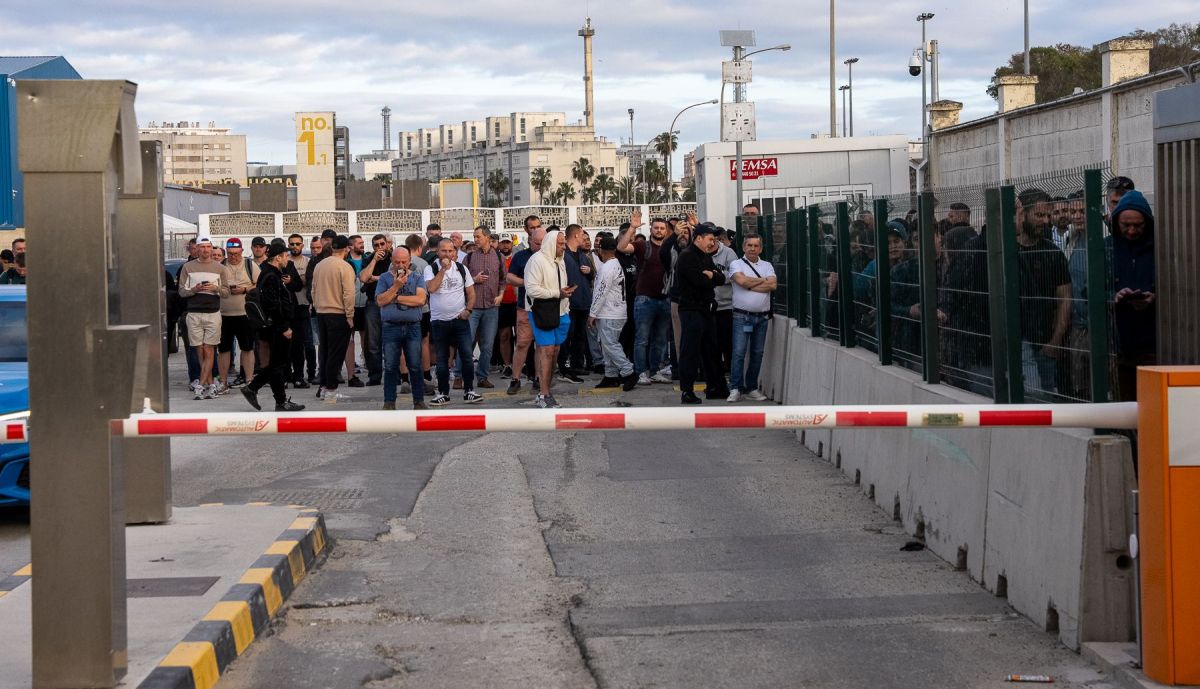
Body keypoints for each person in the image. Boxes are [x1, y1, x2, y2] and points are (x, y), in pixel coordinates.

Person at [1015, 188, 1071, 397]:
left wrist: (1055, 341)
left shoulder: (1053, 254)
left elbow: (1065, 299)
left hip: (1046, 340)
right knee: (1034, 395)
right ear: (1024, 214)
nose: (1045, 221)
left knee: (1047, 394)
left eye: (1048, 215)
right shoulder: (1009, 252)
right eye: (1039, 215)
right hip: (1018, 340)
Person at [241, 243, 305, 412]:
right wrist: (284, 327)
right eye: (285, 256)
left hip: (275, 325)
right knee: (278, 364)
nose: (287, 259)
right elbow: (272, 305)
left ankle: (260, 391)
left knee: (278, 363)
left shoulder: (272, 273)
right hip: (276, 327)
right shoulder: (271, 275)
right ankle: (275, 399)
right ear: (278, 257)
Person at [1108, 189, 1156, 401]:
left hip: (1155, 344)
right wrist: (1114, 296)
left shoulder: (1161, 248)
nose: (1131, 231)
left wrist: (1154, 297)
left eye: (1138, 225)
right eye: (1125, 225)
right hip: (1118, 344)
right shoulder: (1106, 248)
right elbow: (1089, 290)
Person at [616, 211, 674, 385]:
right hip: (644, 299)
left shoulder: (671, 248)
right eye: (656, 227)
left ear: (666, 231)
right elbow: (621, 247)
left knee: (661, 339)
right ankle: (641, 372)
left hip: (665, 299)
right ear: (651, 229)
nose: (658, 230)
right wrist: (632, 227)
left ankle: (655, 370)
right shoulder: (643, 246)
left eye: (662, 228)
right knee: (642, 338)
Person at [424, 238, 483, 406]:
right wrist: (443, 269)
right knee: (442, 359)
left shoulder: (462, 269)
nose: (448, 254)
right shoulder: (431, 268)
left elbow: (471, 293)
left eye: (451, 251)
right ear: (438, 252)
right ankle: (443, 393)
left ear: (455, 253)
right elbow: (432, 288)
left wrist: (468, 311)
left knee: (466, 356)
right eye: (444, 251)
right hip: (439, 322)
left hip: (460, 321)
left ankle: (469, 391)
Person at [674, 223, 728, 404]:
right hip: (691, 309)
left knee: (711, 350)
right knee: (690, 351)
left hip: (706, 309)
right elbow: (700, 282)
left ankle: (715, 387)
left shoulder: (705, 256)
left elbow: (720, 278)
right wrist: (711, 277)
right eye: (710, 239)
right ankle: (687, 391)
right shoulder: (687, 256)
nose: (713, 243)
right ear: (698, 238)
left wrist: (712, 275)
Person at [524, 229, 574, 408]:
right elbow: (532, 289)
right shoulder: (536, 260)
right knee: (546, 350)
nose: (564, 247)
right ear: (551, 243)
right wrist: (557, 293)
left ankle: (545, 389)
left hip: (561, 311)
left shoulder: (560, 261)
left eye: (564, 244)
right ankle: (544, 394)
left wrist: (565, 298)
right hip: (541, 311)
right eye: (561, 244)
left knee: (555, 351)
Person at [177, 238, 230, 399]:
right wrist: (195, 289)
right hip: (193, 313)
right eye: (203, 247)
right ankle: (211, 383)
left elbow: (226, 292)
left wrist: (215, 288)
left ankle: (201, 384)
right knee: (198, 349)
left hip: (213, 313)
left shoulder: (220, 268)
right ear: (197, 249)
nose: (206, 250)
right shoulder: (187, 267)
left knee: (209, 348)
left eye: (209, 247)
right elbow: (181, 292)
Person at [377, 247, 429, 410]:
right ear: (392, 261)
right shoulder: (384, 278)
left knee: (415, 365)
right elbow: (380, 301)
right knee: (391, 365)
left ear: (409, 261)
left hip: (412, 326)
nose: (400, 264)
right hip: (390, 327)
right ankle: (389, 402)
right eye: (397, 261)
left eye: (403, 261)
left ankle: (419, 401)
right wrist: (395, 286)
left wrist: (395, 298)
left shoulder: (418, 278)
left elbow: (420, 300)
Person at [727, 235, 777, 402]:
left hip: (762, 317)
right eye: (749, 245)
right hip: (742, 316)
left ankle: (751, 388)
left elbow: (773, 285)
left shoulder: (767, 265)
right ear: (743, 247)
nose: (752, 248)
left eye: (756, 246)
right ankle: (735, 388)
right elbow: (741, 282)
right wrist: (763, 281)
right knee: (739, 353)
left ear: (761, 249)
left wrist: (750, 284)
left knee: (757, 353)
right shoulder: (736, 264)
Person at [311, 234, 357, 402]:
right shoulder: (345, 267)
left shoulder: (319, 265)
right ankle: (331, 388)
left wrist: (317, 307)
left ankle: (323, 387)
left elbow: (313, 290)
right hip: (338, 313)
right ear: (347, 249)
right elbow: (349, 293)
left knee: (324, 351)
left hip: (321, 312)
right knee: (336, 353)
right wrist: (350, 316)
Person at [588, 236, 637, 390]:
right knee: (607, 345)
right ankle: (611, 375)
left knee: (610, 345)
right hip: (616, 311)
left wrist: (592, 313)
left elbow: (601, 291)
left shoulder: (607, 267)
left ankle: (628, 372)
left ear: (601, 250)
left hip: (610, 312)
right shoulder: (615, 264)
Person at [505, 218, 544, 395]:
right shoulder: (520, 256)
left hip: (545, 308)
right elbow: (509, 278)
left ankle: (538, 378)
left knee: (541, 345)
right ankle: (515, 379)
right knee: (522, 344)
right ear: (529, 240)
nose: (539, 245)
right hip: (525, 308)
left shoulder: (551, 257)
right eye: (536, 243)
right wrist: (528, 283)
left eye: (542, 242)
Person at [463, 225, 505, 388]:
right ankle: (460, 376)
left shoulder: (498, 257)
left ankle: (482, 376)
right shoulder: (470, 257)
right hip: (472, 307)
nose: (475, 240)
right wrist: (474, 279)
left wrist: (501, 294)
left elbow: (503, 280)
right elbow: (462, 281)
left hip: (491, 307)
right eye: (474, 237)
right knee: (467, 342)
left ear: (487, 237)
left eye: (478, 237)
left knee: (487, 345)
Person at [216, 237, 258, 393]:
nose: (233, 256)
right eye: (230, 253)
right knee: (224, 349)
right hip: (224, 315)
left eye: (236, 253)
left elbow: (259, 284)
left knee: (247, 348)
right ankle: (224, 382)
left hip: (244, 314)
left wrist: (245, 290)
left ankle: (249, 381)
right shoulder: (220, 266)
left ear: (242, 251)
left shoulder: (249, 265)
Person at [558, 224, 593, 382]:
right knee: (567, 335)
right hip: (569, 302)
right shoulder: (563, 255)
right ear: (576, 236)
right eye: (582, 235)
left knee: (580, 336)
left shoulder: (583, 255)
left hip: (583, 302)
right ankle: (564, 366)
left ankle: (577, 364)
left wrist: (590, 271)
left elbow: (592, 276)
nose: (585, 239)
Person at [357, 233, 392, 386]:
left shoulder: (393, 257)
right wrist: (374, 260)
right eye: (376, 245)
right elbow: (364, 278)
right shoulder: (368, 258)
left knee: (392, 341)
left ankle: (394, 375)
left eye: (382, 244)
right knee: (372, 342)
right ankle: (375, 376)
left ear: (387, 244)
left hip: (391, 303)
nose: (380, 248)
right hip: (373, 303)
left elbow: (396, 277)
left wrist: (377, 278)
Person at [285, 233, 315, 387]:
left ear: (303, 245)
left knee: (306, 343)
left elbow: (309, 283)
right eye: (292, 244)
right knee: (289, 344)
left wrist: (299, 279)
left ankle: (310, 374)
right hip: (287, 307)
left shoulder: (308, 262)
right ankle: (290, 375)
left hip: (303, 305)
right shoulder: (284, 261)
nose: (295, 246)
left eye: (298, 243)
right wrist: (300, 279)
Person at [342, 234, 369, 387]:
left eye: (362, 242)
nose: (362, 245)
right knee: (349, 339)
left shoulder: (367, 259)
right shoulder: (346, 262)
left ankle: (366, 362)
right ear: (351, 246)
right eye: (359, 243)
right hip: (351, 305)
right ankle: (351, 369)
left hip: (365, 304)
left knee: (366, 337)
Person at [710, 227, 739, 372]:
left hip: (726, 306)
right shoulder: (700, 252)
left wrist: (716, 276)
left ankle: (730, 372)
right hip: (707, 306)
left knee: (727, 344)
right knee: (711, 345)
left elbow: (735, 275)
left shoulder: (729, 253)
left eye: (713, 237)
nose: (711, 241)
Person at [496, 235, 518, 379]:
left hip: (517, 303)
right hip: (502, 303)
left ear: (512, 244)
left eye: (507, 243)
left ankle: (520, 363)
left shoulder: (517, 258)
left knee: (521, 336)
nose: (505, 246)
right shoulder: (495, 260)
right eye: (503, 243)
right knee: (504, 335)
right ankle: (507, 365)